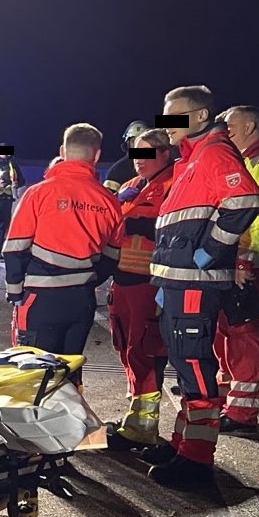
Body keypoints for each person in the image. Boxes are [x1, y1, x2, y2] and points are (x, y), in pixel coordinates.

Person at [146, 86, 259, 488]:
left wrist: (205, 254)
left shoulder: (215, 152)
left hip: (194, 283)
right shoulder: (190, 161)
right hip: (179, 283)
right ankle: (182, 445)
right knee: (185, 363)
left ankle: (196, 461)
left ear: (199, 117)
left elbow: (245, 198)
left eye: (174, 116)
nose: (166, 125)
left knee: (195, 366)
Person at [0, 124, 122, 359]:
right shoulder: (109, 201)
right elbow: (112, 257)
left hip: (39, 298)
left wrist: (15, 293)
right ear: (96, 156)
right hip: (82, 300)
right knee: (70, 372)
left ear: (62, 151)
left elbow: (15, 248)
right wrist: (86, 279)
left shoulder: (38, 193)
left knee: (32, 373)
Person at [215, 106, 259, 433]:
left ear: (250, 126)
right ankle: (226, 393)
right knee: (226, 329)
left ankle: (243, 413)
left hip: (253, 265)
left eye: (231, 125)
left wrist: (242, 259)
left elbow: (258, 221)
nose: (226, 130)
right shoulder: (246, 164)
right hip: (241, 263)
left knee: (243, 335)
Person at [104, 129, 176, 451]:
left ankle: (143, 427)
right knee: (127, 349)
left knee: (146, 352)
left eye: (146, 154)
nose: (138, 161)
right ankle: (135, 420)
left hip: (151, 283)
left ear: (165, 153)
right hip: (123, 279)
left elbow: (174, 229)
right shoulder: (130, 186)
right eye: (135, 154)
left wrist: (139, 224)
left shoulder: (176, 184)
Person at [102, 121, 150, 192]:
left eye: (142, 140)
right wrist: (118, 196)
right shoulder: (117, 171)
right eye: (134, 141)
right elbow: (107, 198)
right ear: (127, 144)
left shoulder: (158, 165)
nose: (138, 145)